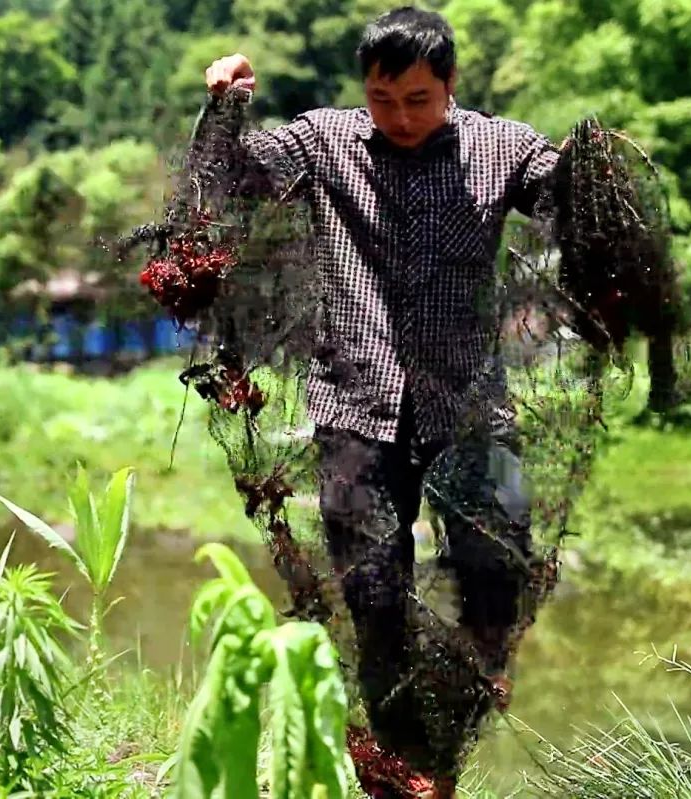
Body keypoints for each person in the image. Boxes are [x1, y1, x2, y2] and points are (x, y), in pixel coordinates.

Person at [204, 7, 558, 797]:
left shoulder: (504, 146)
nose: (399, 117)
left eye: (419, 101)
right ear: (364, 87)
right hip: (356, 402)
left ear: (451, 86)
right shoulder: (322, 139)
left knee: (497, 568)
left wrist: (592, 172)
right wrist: (226, 101)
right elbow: (233, 177)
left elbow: (566, 199)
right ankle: (403, 777)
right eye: (383, 98)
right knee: (373, 601)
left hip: (469, 401)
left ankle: (464, 705)